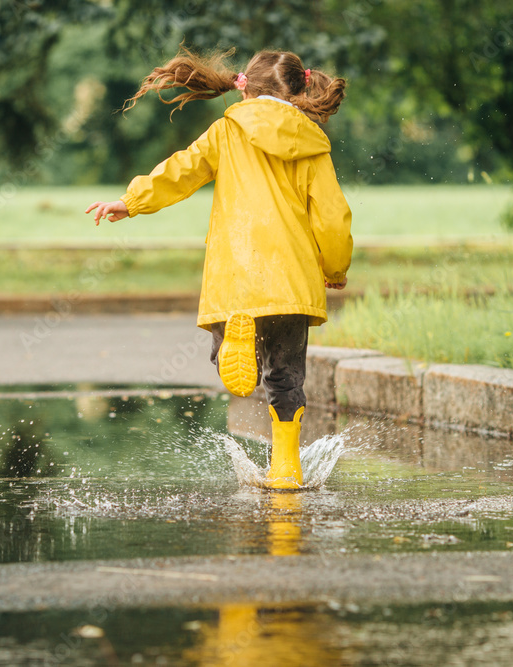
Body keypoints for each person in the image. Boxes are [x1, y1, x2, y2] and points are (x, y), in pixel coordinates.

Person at [85, 48, 353, 490]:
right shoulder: (311, 142)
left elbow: (183, 171)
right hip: (291, 278)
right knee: (286, 375)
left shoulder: (228, 130)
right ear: (301, 90)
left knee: (231, 346)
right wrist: (335, 267)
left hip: (237, 274)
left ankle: (235, 345)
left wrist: (131, 202)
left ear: (244, 85)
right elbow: (332, 215)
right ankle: (287, 467)